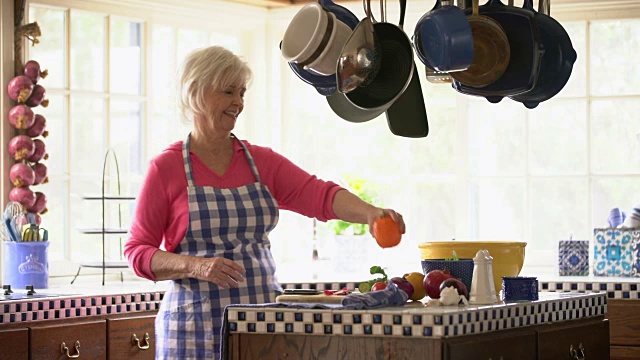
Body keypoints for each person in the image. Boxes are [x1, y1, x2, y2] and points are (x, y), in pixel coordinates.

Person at [124, 45, 406, 360]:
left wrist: (370, 213)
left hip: (260, 325)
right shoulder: (166, 168)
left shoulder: (261, 163)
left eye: (242, 93)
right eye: (228, 91)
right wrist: (195, 265)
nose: (238, 102)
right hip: (192, 330)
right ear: (196, 93)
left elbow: (319, 195)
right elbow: (138, 252)